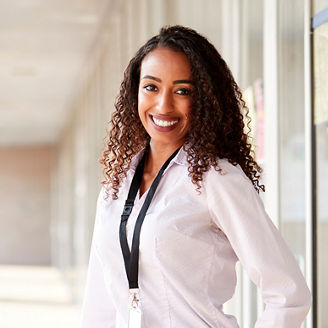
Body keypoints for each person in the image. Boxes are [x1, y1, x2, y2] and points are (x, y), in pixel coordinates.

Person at [81, 25, 311, 328]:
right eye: (151, 87)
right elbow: (101, 297)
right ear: (134, 91)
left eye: (182, 91)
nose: (163, 105)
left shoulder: (216, 179)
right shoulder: (117, 182)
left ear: (203, 99)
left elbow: (288, 294)